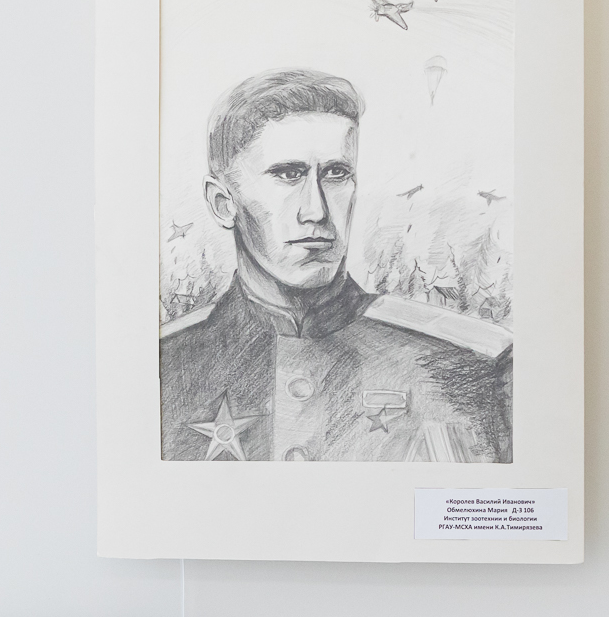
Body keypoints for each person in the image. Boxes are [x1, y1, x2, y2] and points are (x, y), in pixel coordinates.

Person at [161, 67, 513, 463]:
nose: (316, 211)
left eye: (335, 173)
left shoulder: (473, 365)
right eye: (288, 174)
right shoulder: (163, 365)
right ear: (223, 203)